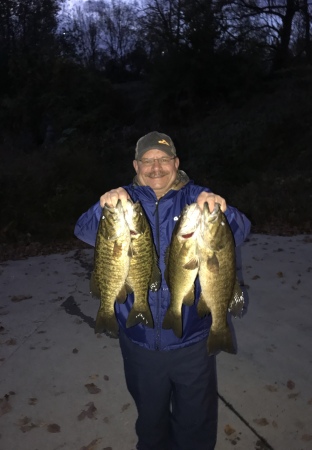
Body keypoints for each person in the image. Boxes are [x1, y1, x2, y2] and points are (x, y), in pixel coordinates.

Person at [74, 131, 251, 450]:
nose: (156, 167)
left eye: (163, 159)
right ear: (136, 165)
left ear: (176, 163)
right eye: (147, 160)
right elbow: (84, 230)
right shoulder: (123, 199)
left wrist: (224, 210)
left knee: (195, 421)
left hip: (193, 338)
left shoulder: (196, 198)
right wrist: (103, 206)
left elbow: (240, 230)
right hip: (139, 338)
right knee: (151, 421)